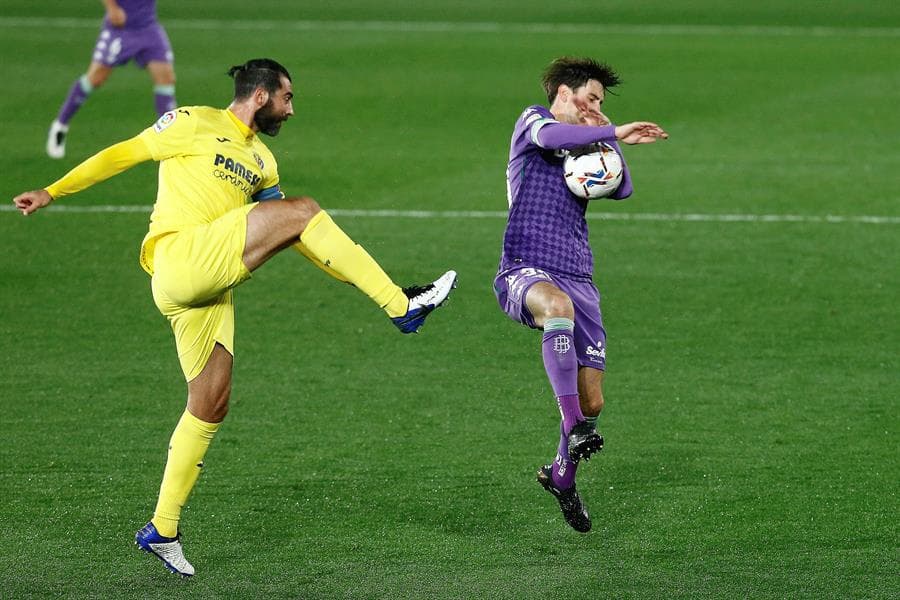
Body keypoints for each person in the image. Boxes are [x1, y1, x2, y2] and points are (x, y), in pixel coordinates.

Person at [14, 58, 458, 576]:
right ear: (263, 95)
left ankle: (162, 528)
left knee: (210, 403)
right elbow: (124, 153)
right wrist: (52, 190)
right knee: (307, 208)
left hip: (208, 286)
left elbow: (298, 231)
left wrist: (346, 274)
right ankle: (402, 306)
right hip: (181, 258)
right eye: (288, 98)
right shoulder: (191, 122)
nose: (292, 110)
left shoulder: (263, 161)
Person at [492, 57, 667, 532]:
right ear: (565, 93)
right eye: (591, 99)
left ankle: (562, 475)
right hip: (525, 267)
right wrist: (613, 132)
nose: (594, 108)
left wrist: (607, 133)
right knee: (556, 309)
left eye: (601, 104)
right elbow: (551, 139)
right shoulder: (533, 122)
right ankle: (575, 428)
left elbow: (624, 188)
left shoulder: (589, 144)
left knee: (594, 401)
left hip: (579, 274)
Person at [46, 0, 177, 159]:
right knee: (96, 78)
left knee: (166, 78)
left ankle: (169, 137)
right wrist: (112, 8)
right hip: (120, 30)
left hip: (148, 28)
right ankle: (60, 125)